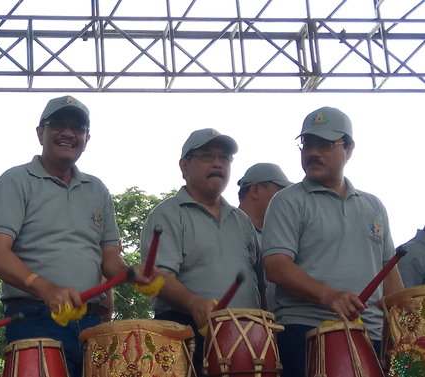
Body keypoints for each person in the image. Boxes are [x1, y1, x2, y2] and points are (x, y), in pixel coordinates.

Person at [0, 95, 155, 377]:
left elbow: (110, 260)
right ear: (40, 133)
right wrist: (47, 289)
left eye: (78, 127)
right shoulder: (14, 180)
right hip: (34, 317)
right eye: (58, 124)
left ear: (87, 138)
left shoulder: (97, 189)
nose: (68, 133)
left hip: (91, 321)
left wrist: (133, 273)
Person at [261, 106, 403, 377]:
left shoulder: (373, 206)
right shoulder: (287, 200)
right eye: (308, 144)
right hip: (305, 331)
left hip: (370, 335)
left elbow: (389, 273)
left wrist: (399, 332)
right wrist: (331, 296)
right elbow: (276, 266)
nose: (313, 152)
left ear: (348, 149)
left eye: (325, 144)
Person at [140, 128, 263, 371]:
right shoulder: (167, 215)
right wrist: (195, 303)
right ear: (184, 166)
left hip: (250, 338)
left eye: (224, 157)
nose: (218, 163)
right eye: (207, 156)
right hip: (186, 332)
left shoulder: (242, 220)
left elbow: (260, 282)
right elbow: (158, 277)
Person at [237, 163, 292, 311]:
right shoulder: (228, 231)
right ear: (255, 190)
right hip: (237, 326)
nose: (286, 198)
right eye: (280, 191)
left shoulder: (280, 236)